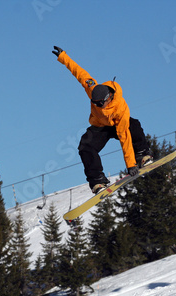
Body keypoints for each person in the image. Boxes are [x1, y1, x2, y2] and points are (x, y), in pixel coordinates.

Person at [52, 46, 152, 194]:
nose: (96, 105)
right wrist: (63, 57)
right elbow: (79, 73)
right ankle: (98, 181)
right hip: (100, 127)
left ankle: (142, 155)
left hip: (118, 124)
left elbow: (124, 136)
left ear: (108, 98)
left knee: (134, 126)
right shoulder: (93, 89)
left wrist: (130, 165)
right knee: (85, 146)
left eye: (99, 103)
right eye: (94, 103)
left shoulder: (120, 108)